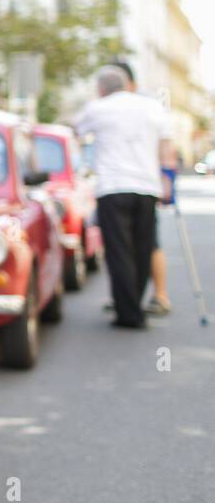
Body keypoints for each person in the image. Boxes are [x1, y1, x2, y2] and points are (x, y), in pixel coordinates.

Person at [74, 65, 175, 328]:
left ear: (101, 89)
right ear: (128, 84)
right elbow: (167, 148)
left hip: (113, 186)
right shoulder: (153, 107)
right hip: (147, 187)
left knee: (119, 250)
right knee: (143, 247)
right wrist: (168, 184)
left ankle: (128, 311)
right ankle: (133, 303)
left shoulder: (98, 108)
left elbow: (76, 132)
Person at [109, 59, 174, 314]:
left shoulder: (144, 107)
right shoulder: (145, 107)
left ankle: (155, 295)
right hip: (139, 186)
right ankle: (134, 297)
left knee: (142, 244)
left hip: (133, 186)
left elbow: (166, 146)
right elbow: (166, 146)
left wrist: (167, 178)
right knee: (136, 244)